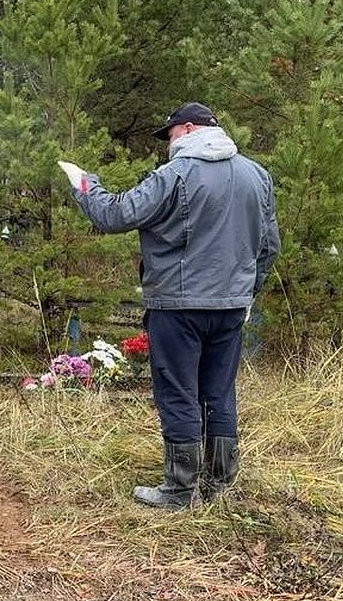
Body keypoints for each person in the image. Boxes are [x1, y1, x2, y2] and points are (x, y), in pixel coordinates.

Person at [57, 102, 281, 509]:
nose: (168, 145)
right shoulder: (257, 175)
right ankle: (218, 488)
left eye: (171, 135)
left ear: (189, 128)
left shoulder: (175, 174)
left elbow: (117, 214)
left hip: (178, 307)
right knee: (219, 392)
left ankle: (179, 491)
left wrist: (85, 185)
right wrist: (245, 292)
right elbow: (268, 246)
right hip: (230, 307)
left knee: (177, 392)